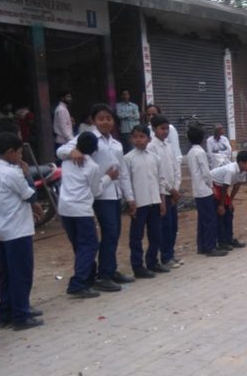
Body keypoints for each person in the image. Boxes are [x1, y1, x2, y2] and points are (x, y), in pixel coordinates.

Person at [58, 103, 133, 290]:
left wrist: (129, 196)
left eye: (108, 118)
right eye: (101, 118)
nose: (105, 122)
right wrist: (72, 151)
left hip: (114, 193)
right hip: (98, 194)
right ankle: (103, 276)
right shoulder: (88, 139)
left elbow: (122, 171)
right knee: (107, 232)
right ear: (93, 120)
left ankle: (110, 268)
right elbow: (61, 151)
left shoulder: (116, 143)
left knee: (114, 233)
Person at [0, 132, 43, 329]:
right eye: (19, 152)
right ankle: (21, 315)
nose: (21, 157)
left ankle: (5, 313)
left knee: (6, 274)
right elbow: (29, 194)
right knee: (21, 274)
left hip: (0, 229)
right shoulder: (12, 173)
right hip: (18, 230)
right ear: (10, 152)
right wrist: (26, 173)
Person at [59, 131, 120, 298]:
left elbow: (61, 151)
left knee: (80, 246)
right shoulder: (92, 166)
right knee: (89, 245)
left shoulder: (67, 160)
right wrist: (108, 177)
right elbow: (96, 190)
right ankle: (78, 283)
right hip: (81, 210)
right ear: (94, 150)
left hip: (65, 208)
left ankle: (88, 279)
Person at [121, 124, 171, 278]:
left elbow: (160, 180)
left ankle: (152, 262)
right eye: (135, 137)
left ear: (149, 139)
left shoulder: (155, 158)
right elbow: (126, 181)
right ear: (131, 139)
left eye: (142, 136)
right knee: (136, 236)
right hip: (139, 203)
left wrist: (162, 200)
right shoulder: (128, 159)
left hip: (154, 201)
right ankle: (138, 266)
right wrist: (130, 200)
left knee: (155, 234)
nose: (139, 140)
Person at [186, 125, 226, 257]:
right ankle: (210, 246)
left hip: (197, 189)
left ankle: (202, 245)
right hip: (204, 189)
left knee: (202, 220)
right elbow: (206, 173)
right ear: (203, 138)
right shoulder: (200, 152)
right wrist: (211, 185)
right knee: (210, 219)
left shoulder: (190, 153)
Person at [150, 115, 182, 269]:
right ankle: (165, 256)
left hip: (173, 191)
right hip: (163, 192)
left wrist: (176, 186)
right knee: (165, 225)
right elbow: (158, 173)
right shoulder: (152, 147)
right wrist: (170, 189)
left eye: (166, 129)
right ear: (154, 129)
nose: (165, 132)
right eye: (162, 129)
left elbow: (176, 167)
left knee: (173, 225)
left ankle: (171, 252)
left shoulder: (168, 145)